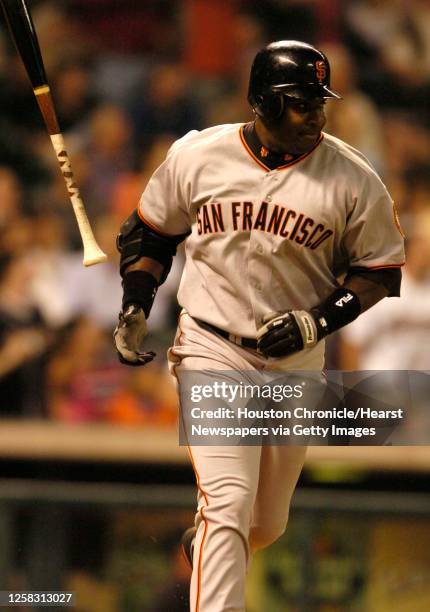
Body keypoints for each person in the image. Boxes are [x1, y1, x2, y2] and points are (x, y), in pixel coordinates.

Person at [114, 41, 405, 612]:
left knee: (263, 524)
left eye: (320, 102)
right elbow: (150, 233)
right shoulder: (200, 155)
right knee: (228, 500)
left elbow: (380, 272)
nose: (317, 115)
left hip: (296, 362)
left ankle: (210, 545)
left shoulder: (353, 177)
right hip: (212, 346)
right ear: (262, 102)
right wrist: (136, 301)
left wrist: (317, 321)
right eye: (301, 103)